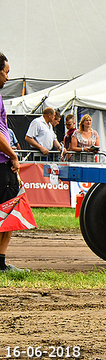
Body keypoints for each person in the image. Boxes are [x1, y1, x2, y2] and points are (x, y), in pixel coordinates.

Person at [0, 53, 26, 272]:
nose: (7, 78)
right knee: (7, 211)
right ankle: (0, 263)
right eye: (6, 72)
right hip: (2, 163)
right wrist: (13, 155)